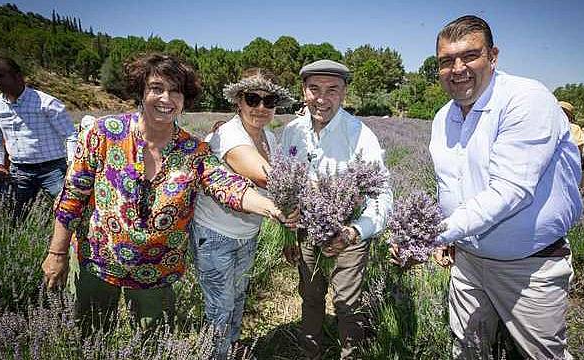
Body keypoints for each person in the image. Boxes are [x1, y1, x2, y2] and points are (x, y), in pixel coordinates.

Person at [40, 53, 293, 336]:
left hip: (156, 270)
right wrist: (57, 252)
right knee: (91, 333)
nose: (166, 98)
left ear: (185, 100)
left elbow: (228, 184)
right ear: (141, 91)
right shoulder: (103, 134)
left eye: (176, 91)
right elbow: (72, 197)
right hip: (98, 260)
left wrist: (271, 207)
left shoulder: (193, 150)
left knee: (154, 341)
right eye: (157, 88)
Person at [425, 15, 582, 359]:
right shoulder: (442, 117)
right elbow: (450, 183)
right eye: (446, 61)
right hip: (466, 263)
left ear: (493, 56)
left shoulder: (526, 99)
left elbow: (511, 190)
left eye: (470, 56)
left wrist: (435, 232)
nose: (458, 68)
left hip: (527, 268)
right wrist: (449, 235)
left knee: (541, 355)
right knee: (468, 350)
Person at [281, 59, 393, 359]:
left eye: (332, 90)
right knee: (310, 297)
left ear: (344, 93)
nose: (321, 98)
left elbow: (382, 198)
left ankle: (351, 354)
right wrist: (287, 232)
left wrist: (353, 232)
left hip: (348, 230)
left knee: (347, 303)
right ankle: (310, 353)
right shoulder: (292, 132)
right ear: (303, 91)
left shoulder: (360, 134)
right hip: (306, 231)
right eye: (314, 88)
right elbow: (284, 186)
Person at [189, 68, 295, 358]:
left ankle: (231, 350)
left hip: (247, 234)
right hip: (215, 235)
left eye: (269, 101)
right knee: (219, 309)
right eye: (253, 99)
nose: (261, 108)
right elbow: (268, 178)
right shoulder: (228, 135)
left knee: (236, 299)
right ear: (239, 100)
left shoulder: (270, 139)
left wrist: (288, 237)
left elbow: (281, 196)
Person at [0, 56, 77, 215]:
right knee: (15, 214)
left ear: (17, 75)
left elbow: (70, 135)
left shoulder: (46, 103)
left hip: (53, 169)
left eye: (1, 76)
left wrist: (72, 166)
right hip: (19, 170)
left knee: (68, 211)